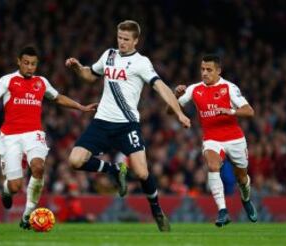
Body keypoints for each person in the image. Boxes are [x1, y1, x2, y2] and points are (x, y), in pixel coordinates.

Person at [65, 20, 191, 232]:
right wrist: (78, 68)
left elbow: (161, 87)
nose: (122, 42)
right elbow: (90, 75)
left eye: (126, 39)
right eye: (119, 37)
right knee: (75, 160)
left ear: (135, 41)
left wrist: (179, 113)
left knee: (142, 173)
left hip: (127, 125)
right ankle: (114, 170)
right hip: (102, 122)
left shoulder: (141, 62)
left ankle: (157, 210)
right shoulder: (109, 55)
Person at [0, 45, 97, 229]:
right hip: (11, 136)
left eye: (33, 64)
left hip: (34, 134)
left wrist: (80, 107)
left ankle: (27, 215)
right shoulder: (8, 80)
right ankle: (7, 191)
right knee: (15, 186)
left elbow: (57, 97)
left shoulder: (41, 82)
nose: (30, 67)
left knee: (38, 167)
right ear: (19, 62)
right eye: (26, 63)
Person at [171, 54, 257, 227]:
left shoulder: (229, 87)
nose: (204, 73)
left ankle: (246, 199)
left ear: (218, 71)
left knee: (242, 178)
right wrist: (174, 96)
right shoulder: (194, 89)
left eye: (209, 70)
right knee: (212, 165)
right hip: (212, 138)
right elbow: (170, 110)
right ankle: (223, 211)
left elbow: (250, 111)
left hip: (235, 138)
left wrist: (230, 111)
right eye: (202, 69)